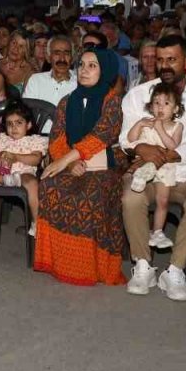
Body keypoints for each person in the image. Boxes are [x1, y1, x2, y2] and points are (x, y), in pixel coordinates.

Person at [120, 34, 186, 302]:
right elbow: (124, 138)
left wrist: (158, 155)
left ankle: (174, 270)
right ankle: (142, 265)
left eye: (171, 60)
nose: (164, 65)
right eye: (160, 59)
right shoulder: (138, 94)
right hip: (148, 170)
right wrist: (141, 149)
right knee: (131, 196)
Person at [33, 48, 126, 284]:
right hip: (73, 162)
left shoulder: (112, 101)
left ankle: (88, 268)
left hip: (104, 165)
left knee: (89, 195)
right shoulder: (67, 101)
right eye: (82, 65)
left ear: (105, 71)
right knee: (50, 186)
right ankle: (57, 262)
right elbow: (57, 138)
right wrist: (70, 161)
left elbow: (102, 135)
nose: (84, 70)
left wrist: (66, 160)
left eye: (92, 66)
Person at [0, 100, 47, 235]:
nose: (14, 128)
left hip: (23, 173)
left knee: (33, 183)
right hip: (0, 173)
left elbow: (36, 159)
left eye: (19, 123)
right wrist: (0, 156)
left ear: (28, 125)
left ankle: (36, 223)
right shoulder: (2, 138)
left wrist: (16, 157)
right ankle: (5, 180)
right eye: (10, 124)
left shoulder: (35, 140)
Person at [127, 81, 184, 250]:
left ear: (175, 109)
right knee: (141, 170)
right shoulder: (147, 122)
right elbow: (131, 139)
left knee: (163, 200)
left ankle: (157, 231)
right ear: (151, 107)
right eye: (156, 103)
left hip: (164, 168)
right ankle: (141, 175)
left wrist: (160, 129)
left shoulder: (177, 127)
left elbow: (173, 146)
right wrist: (139, 125)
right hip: (143, 161)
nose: (161, 107)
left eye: (166, 103)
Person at [0, 31, 36, 96]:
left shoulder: (30, 73)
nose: (16, 48)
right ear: (9, 43)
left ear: (26, 51)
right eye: (14, 43)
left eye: (21, 46)